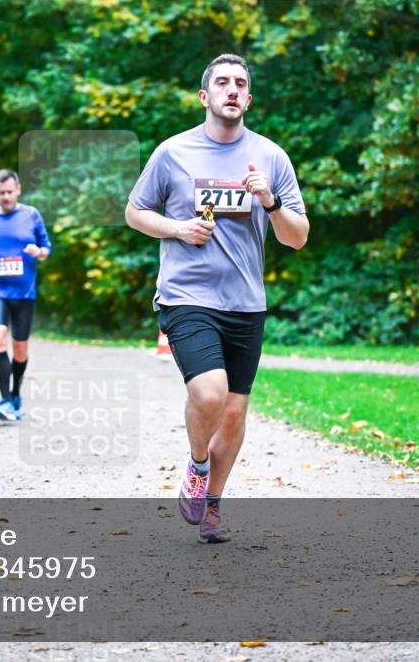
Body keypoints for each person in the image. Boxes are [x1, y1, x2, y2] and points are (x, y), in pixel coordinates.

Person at [125, 54, 309, 542]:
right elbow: (135, 212)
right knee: (208, 392)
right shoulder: (173, 152)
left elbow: (297, 237)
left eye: (240, 83)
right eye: (222, 82)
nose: (232, 89)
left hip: (246, 301)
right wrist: (179, 229)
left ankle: (211, 507)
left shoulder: (271, 157)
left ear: (249, 98)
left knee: (233, 411)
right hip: (186, 294)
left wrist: (269, 201)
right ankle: (196, 464)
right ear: (205, 96)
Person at [0, 169, 52, 421]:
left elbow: (47, 248)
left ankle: (16, 396)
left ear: (18, 189)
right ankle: (5, 400)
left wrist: (38, 252)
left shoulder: (31, 215)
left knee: (19, 347)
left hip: (23, 290)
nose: (6, 197)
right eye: (1, 193)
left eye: (10, 191)